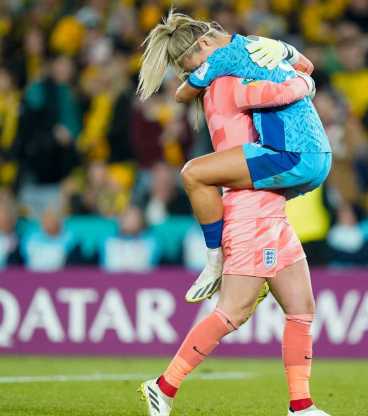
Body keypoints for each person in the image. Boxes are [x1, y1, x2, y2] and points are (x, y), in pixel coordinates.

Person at [136, 11, 330, 416]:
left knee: (301, 310)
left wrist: (287, 52)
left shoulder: (213, 78)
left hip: (269, 210)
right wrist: (302, 77)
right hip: (251, 214)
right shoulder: (226, 79)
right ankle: (164, 385)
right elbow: (269, 93)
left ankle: (302, 406)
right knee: (232, 312)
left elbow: (191, 87)